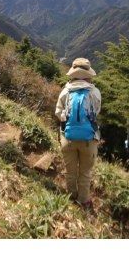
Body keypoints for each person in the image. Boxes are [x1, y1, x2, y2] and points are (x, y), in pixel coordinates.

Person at [55, 57, 101, 208]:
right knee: (85, 173)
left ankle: (71, 197)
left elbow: (58, 112)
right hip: (89, 139)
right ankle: (83, 200)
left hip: (68, 138)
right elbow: (96, 112)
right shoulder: (95, 92)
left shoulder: (65, 91)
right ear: (88, 74)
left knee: (71, 171)